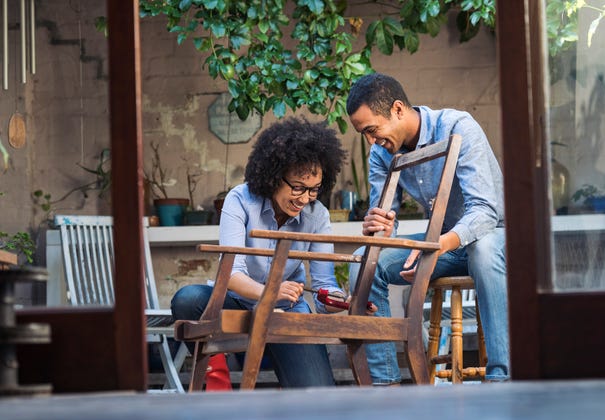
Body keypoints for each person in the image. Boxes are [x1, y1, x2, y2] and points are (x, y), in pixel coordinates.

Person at [345, 73, 509, 384]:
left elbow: (486, 211)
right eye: (363, 134)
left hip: (494, 238)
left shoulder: (458, 127)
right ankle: (385, 385)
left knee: (483, 250)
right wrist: (378, 229)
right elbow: (384, 228)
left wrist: (435, 248)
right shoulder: (382, 153)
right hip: (444, 244)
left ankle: (503, 379)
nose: (370, 141)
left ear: (397, 109)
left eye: (372, 130)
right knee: (365, 264)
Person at [171, 117, 351, 388]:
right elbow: (231, 274)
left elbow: (324, 287)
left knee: (318, 393)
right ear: (273, 175)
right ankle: (221, 363)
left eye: (313, 190)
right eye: (298, 187)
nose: (304, 199)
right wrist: (269, 293)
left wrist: (344, 301)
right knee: (187, 299)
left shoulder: (318, 216)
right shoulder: (240, 199)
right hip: (236, 304)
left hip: (285, 313)